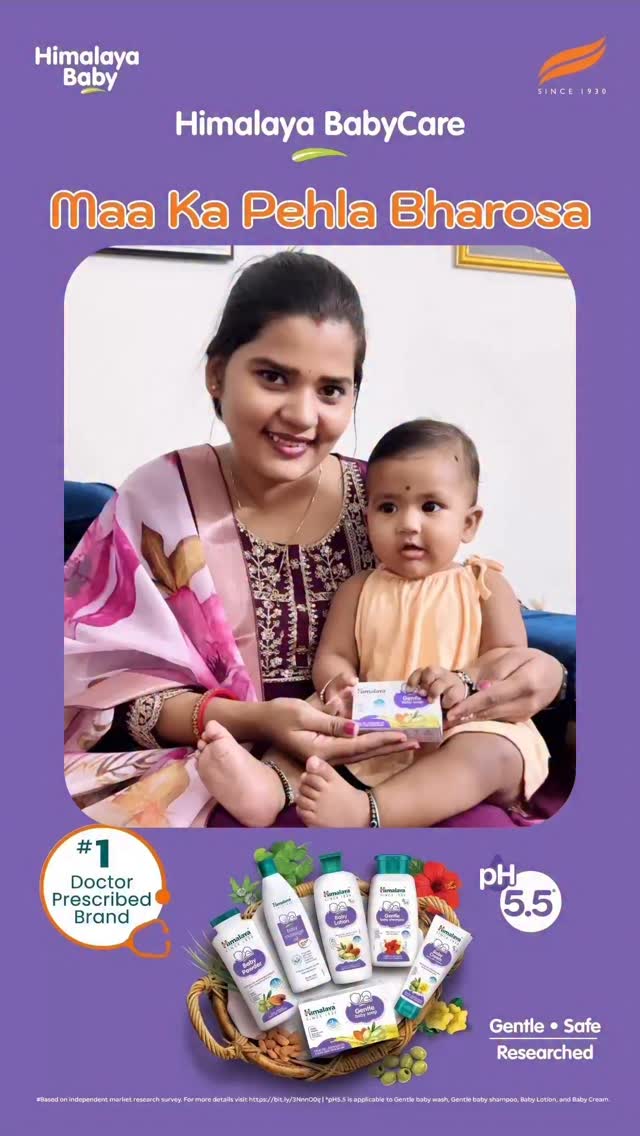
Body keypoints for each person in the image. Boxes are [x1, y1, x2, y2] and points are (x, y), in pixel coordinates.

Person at [64, 251, 567, 828]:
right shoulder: (160, 501)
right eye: (273, 377)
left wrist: (548, 676)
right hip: (237, 761)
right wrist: (259, 721)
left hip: (407, 755)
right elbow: (105, 691)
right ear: (217, 374)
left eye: (331, 390)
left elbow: (479, 619)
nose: (303, 415)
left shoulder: (381, 499)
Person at [293, 418, 549, 827]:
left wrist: (463, 680)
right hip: (377, 722)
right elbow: (334, 655)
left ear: (468, 523)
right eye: (388, 507)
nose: (408, 524)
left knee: (489, 752)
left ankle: (369, 811)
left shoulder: (484, 585)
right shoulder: (358, 589)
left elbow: (507, 659)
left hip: (462, 725)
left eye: (430, 507)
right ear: (368, 516)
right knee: (298, 723)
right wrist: (338, 685)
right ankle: (264, 785)